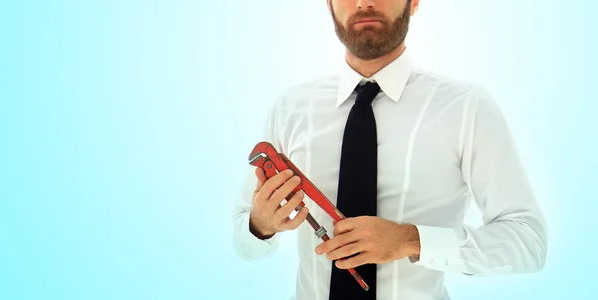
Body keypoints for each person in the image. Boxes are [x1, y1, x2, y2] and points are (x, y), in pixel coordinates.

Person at [231, 0, 548, 299]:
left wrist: (412, 240)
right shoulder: (290, 108)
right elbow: (244, 242)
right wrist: (262, 225)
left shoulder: (468, 108)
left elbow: (528, 241)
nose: (365, 2)